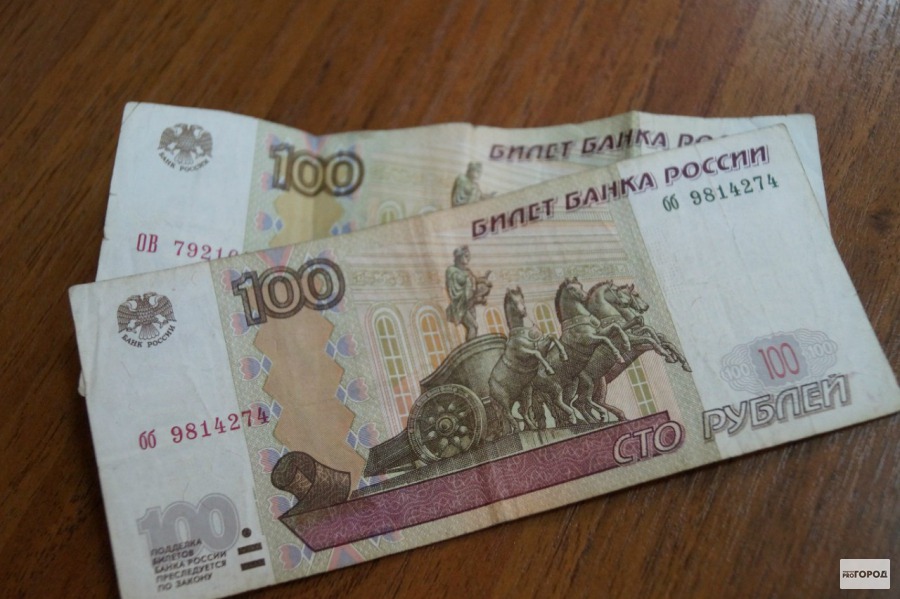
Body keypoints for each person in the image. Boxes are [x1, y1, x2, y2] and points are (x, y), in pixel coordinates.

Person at [445, 246, 491, 341]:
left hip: (470, 303)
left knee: (473, 327)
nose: (468, 258)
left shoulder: (467, 271)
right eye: (466, 256)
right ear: (459, 257)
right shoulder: (451, 270)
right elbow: (457, 285)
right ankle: (472, 348)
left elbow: (475, 279)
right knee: (473, 326)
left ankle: (473, 345)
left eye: (468, 256)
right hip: (461, 305)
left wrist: (484, 280)